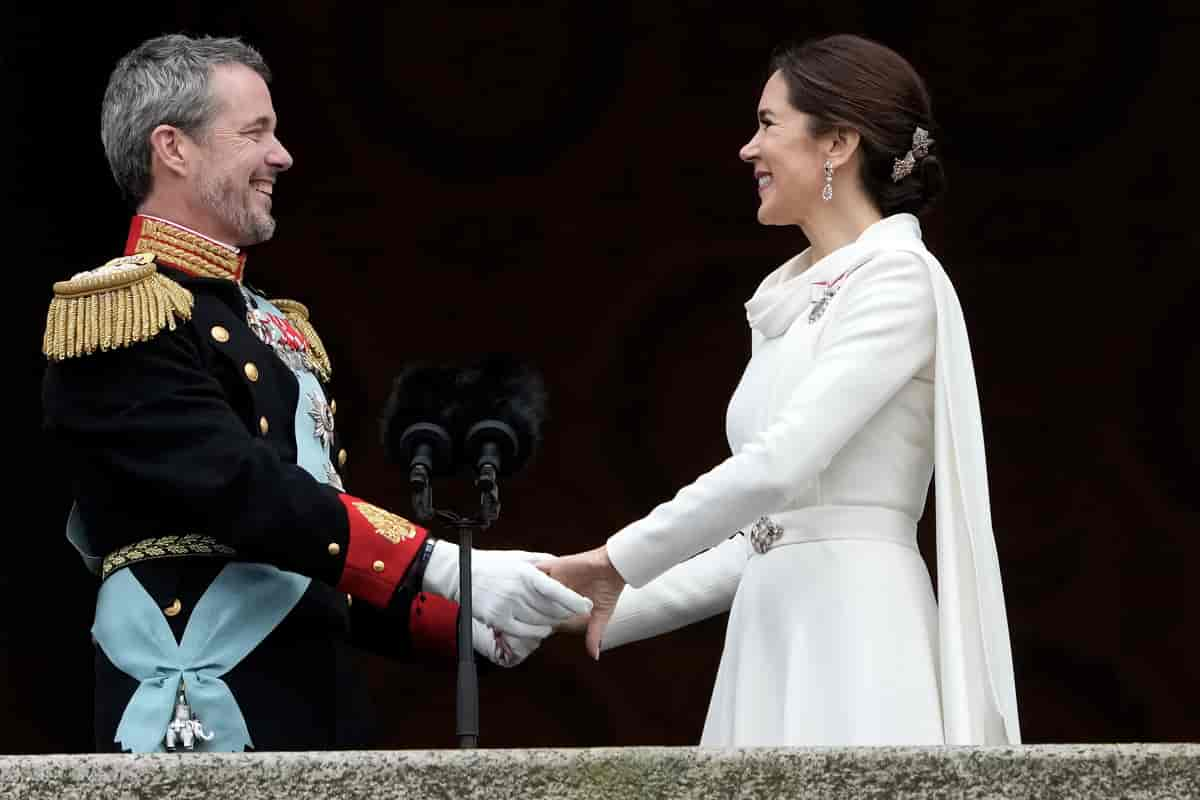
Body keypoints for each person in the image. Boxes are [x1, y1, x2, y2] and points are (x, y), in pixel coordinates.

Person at [41, 33, 590, 753]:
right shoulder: (119, 314)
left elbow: (311, 558)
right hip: (204, 716)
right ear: (172, 148)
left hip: (314, 710)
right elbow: (239, 490)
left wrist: (469, 622)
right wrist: (446, 568)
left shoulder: (270, 324)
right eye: (255, 132)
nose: (282, 155)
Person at [542, 34, 1020, 746]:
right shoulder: (788, 301)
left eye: (768, 124)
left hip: (857, 630)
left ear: (837, 142)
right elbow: (768, 539)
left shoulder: (895, 280)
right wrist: (587, 604)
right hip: (773, 625)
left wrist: (618, 558)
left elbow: (779, 463)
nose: (747, 149)